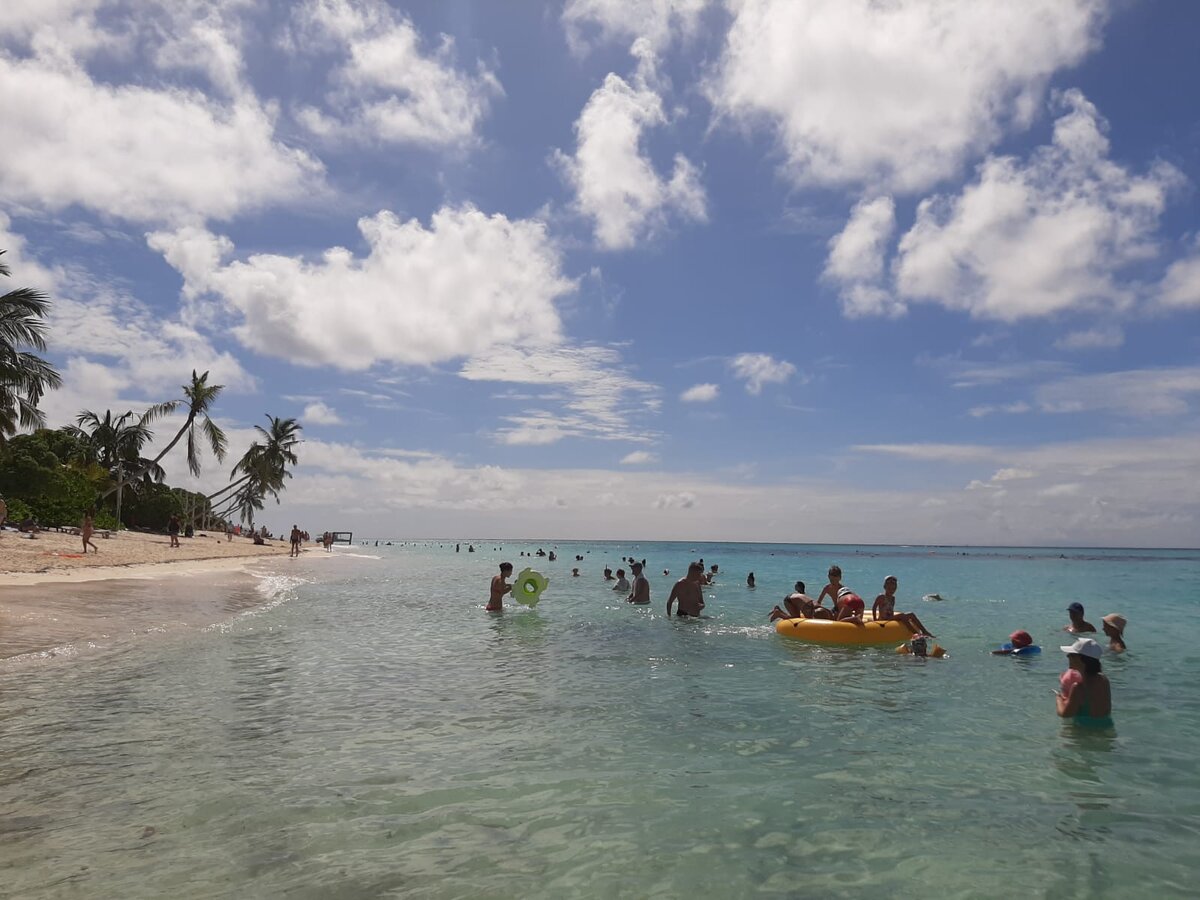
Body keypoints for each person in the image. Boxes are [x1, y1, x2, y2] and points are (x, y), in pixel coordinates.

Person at [1056, 638, 1113, 728]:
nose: (1068, 656)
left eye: (1071, 654)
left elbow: (1065, 714)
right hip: (1106, 728)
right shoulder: (1104, 680)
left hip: (1084, 732)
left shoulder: (1078, 688)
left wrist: (1059, 699)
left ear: (1080, 659)